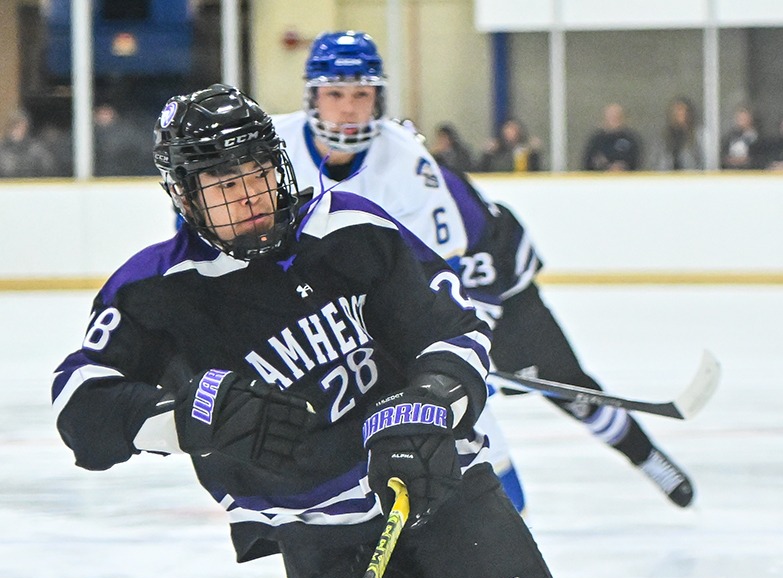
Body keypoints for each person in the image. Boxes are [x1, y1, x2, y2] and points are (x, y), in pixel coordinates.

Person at [49, 85, 723, 578]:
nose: (249, 199)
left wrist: (427, 404)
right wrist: (189, 413)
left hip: (431, 489)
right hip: (317, 537)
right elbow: (82, 410)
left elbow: (457, 332)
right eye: (223, 186)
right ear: (182, 195)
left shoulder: (349, 227)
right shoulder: (152, 291)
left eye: (256, 174)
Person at [278, 31, 696, 510]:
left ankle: (645, 460)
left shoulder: (409, 165)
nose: (348, 108)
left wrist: (466, 344)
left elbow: (459, 269)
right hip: (405, 296)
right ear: (312, 96)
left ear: (378, 97)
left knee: (565, 387)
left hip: (494, 279)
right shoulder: (277, 148)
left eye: (361, 94)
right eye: (335, 94)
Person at [581, 103, 641, 172]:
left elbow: (636, 162)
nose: (613, 120)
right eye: (611, 117)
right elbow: (587, 164)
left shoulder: (631, 139)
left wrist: (620, 168)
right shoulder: (596, 140)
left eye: (617, 117)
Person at [0, 112, 62, 178]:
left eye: (22, 126)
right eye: (16, 125)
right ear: (9, 127)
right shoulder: (2, 150)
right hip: (7, 187)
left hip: (33, 186)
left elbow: (50, 169)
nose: (20, 129)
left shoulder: (37, 149)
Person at [659, 97, 701, 171]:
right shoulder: (665, 136)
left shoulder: (699, 135)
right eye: (675, 110)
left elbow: (705, 161)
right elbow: (659, 161)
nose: (677, 113)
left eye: (680, 110)